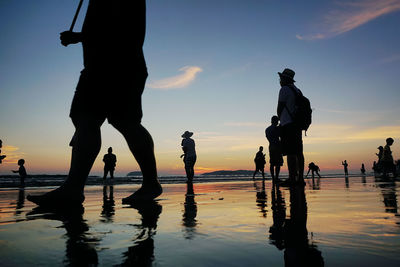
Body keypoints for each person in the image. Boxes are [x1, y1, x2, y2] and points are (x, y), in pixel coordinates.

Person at [27, 0, 162, 206]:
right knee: (91, 119)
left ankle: (76, 188)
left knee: (116, 121)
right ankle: (74, 187)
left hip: (118, 64)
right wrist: (82, 38)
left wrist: (80, 37)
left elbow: (125, 30)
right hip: (103, 66)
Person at [276, 68, 305, 186]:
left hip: (288, 124)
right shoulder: (298, 91)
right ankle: (300, 178)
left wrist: (280, 119)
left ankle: (292, 178)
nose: (279, 80)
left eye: (281, 78)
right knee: (299, 152)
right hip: (297, 125)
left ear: (284, 79)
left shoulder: (284, 89)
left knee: (290, 152)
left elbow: (279, 108)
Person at [265, 116, 283, 183]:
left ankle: (273, 178)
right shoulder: (276, 128)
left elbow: (268, 138)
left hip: (271, 146)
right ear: (275, 121)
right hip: (277, 146)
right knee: (278, 163)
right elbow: (280, 135)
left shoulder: (267, 129)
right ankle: (276, 178)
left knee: (272, 163)